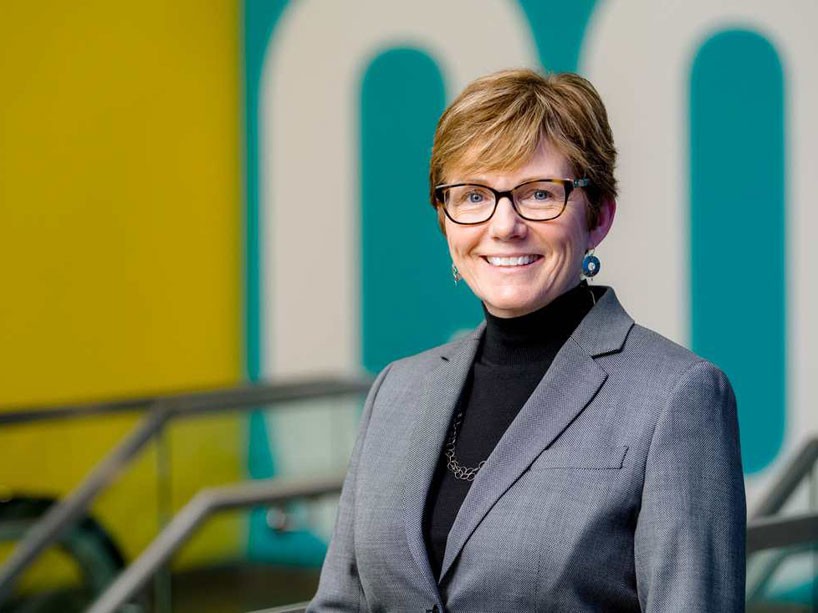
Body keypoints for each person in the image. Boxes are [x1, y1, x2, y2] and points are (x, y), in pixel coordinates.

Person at [308, 69, 745, 612]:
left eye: (539, 193)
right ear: (445, 219)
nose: (504, 225)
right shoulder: (397, 388)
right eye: (473, 195)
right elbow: (339, 605)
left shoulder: (677, 397)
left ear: (599, 216)